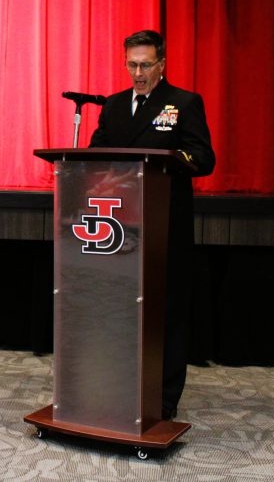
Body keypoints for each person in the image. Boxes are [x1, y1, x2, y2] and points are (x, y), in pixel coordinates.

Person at [89, 29, 215, 420]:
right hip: (119, 227)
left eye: (145, 65)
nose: (138, 72)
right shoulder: (111, 107)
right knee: (120, 311)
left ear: (162, 64)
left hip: (164, 227)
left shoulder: (183, 103)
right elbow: (94, 154)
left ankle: (163, 398)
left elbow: (204, 158)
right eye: (132, 64)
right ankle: (118, 388)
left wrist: (173, 158)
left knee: (167, 313)